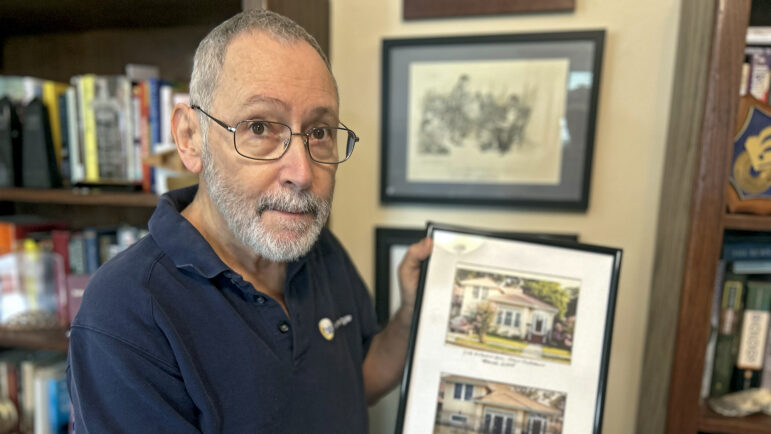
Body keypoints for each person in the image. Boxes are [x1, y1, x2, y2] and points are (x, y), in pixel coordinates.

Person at [66, 9, 432, 433]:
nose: (303, 173)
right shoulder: (125, 311)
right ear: (190, 138)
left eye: (319, 132)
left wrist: (410, 313)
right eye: (260, 126)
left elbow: (356, 380)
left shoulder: (317, 247)